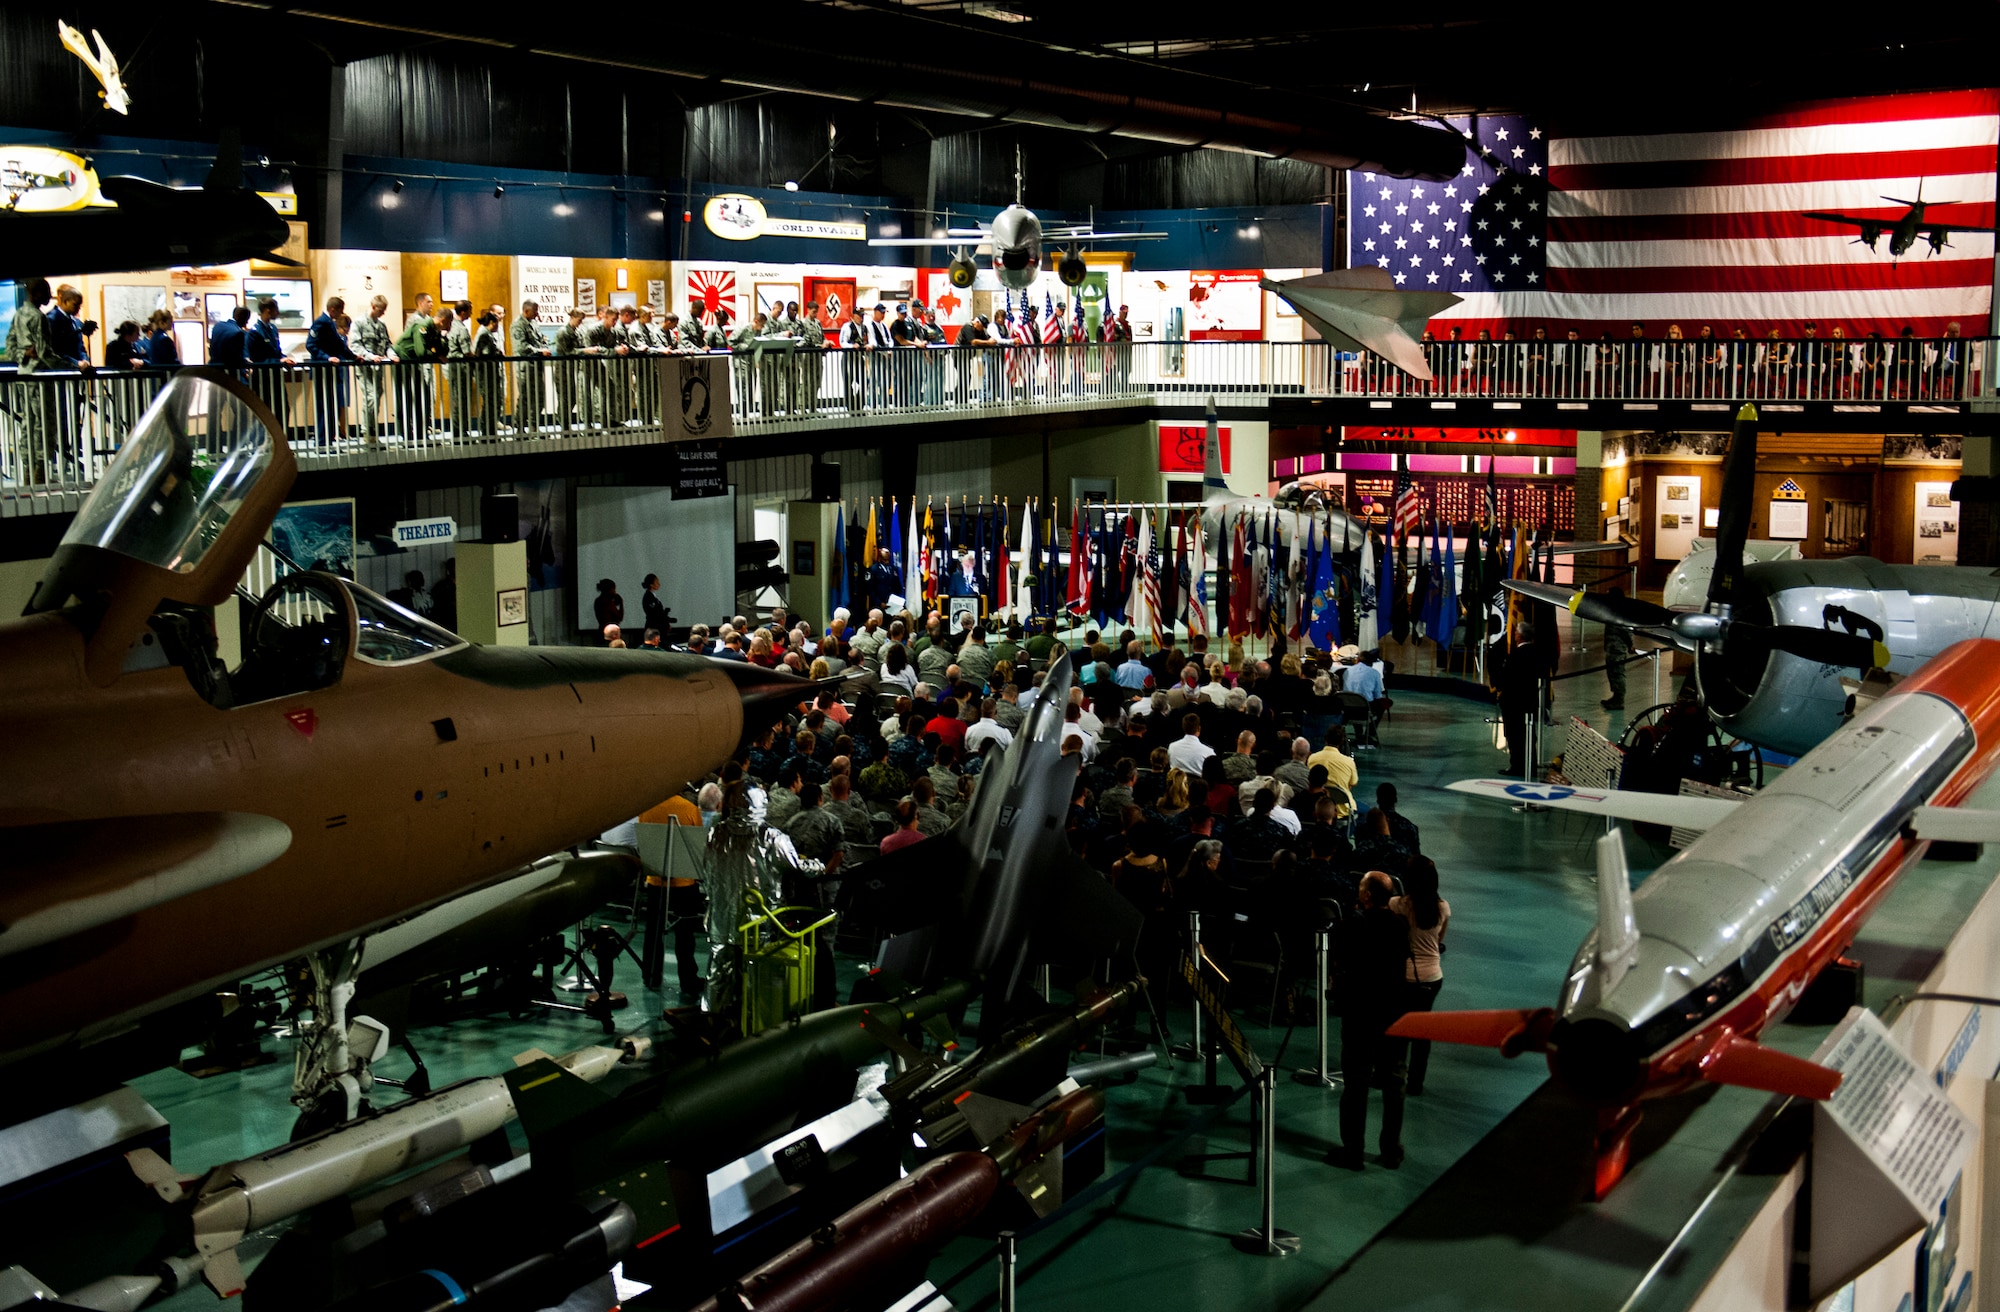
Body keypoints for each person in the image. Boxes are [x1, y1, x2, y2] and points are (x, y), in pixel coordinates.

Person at [1331, 870, 1412, 1170]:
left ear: (1365, 895)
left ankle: (1353, 1150)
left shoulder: (1351, 925)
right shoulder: (1399, 924)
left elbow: (1338, 961)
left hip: (1360, 1014)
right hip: (1393, 1013)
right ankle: (1391, 1150)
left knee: (1356, 1083)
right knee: (1393, 1083)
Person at [1390, 857, 1450, 1096]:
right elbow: (1439, 941)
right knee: (1422, 1030)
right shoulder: (1443, 907)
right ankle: (1416, 1083)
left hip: (1404, 975)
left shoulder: (1397, 905)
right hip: (1432, 977)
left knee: (1399, 1027)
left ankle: (1395, 1075)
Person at [1499, 623, 1541, 777]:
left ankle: (1517, 766)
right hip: (1528, 702)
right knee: (1528, 735)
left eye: (1516, 632)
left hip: (1514, 703)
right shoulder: (1535, 652)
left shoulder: (1517, 655)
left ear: (1520, 636)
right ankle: (1530, 766)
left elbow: (1507, 678)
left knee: (1515, 736)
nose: (1514, 633)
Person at [1601, 589, 1634, 711]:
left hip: (1618, 648)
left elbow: (1625, 630)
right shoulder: (1614, 609)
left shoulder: (1620, 611)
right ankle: (1615, 696)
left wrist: (1630, 645)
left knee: (1617, 673)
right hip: (1612, 646)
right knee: (1612, 672)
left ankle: (1619, 700)